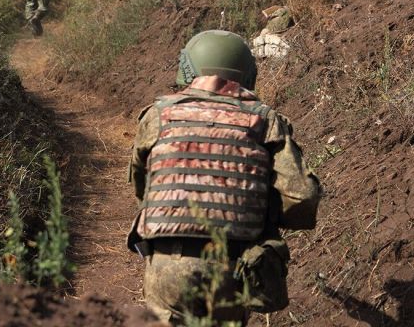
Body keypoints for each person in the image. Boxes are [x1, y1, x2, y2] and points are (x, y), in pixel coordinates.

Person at [127, 30, 321, 325]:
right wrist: (254, 207)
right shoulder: (265, 121)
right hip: (233, 266)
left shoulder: (158, 115)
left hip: (168, 266)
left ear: (188, 67)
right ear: (248, 73)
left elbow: (143, 188)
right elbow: (302, 198)